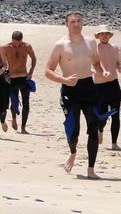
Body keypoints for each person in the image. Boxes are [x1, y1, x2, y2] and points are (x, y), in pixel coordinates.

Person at [45, 11, 107, 179]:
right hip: (69, 90)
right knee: (74, 131)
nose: (76, 24)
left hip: (88, 88)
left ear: (83, 23)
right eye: (72, 21)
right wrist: (63, 79)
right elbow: (48, 71)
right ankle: (73, 152)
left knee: (93, 128)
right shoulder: (60, 45)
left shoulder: (91, 42)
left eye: (79, 21)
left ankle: (91, 169)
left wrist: (102, 72)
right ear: (67, 24)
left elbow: (96, 62)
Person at [93, 25, 121, 151]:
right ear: (98, 36)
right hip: (99, 86)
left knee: (116, 114)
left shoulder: (114, 48)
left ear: (110, 35)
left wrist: (119, 67)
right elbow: (91, 66)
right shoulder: (94, 48)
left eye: (106, 33)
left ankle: (114, 143)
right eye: (101, 34)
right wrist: (99, 72)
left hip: (114, 84)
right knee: (101, 116)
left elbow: (117, 62)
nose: (104, 35)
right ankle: (100, 130)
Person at [3, 30, 37, 134]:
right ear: (11, 40)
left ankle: (23, 127)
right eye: (14, 43)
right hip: (12, 78)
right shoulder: (6, 47)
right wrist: (5, 74)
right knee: (14, 101)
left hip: (24, 78)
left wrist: (30, 72)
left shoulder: (27, 46)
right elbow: (2, 62)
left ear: (22, 40)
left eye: (18, 43)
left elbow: (34, 59)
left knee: (26, 103)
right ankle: (13, 118)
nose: (16, 45)